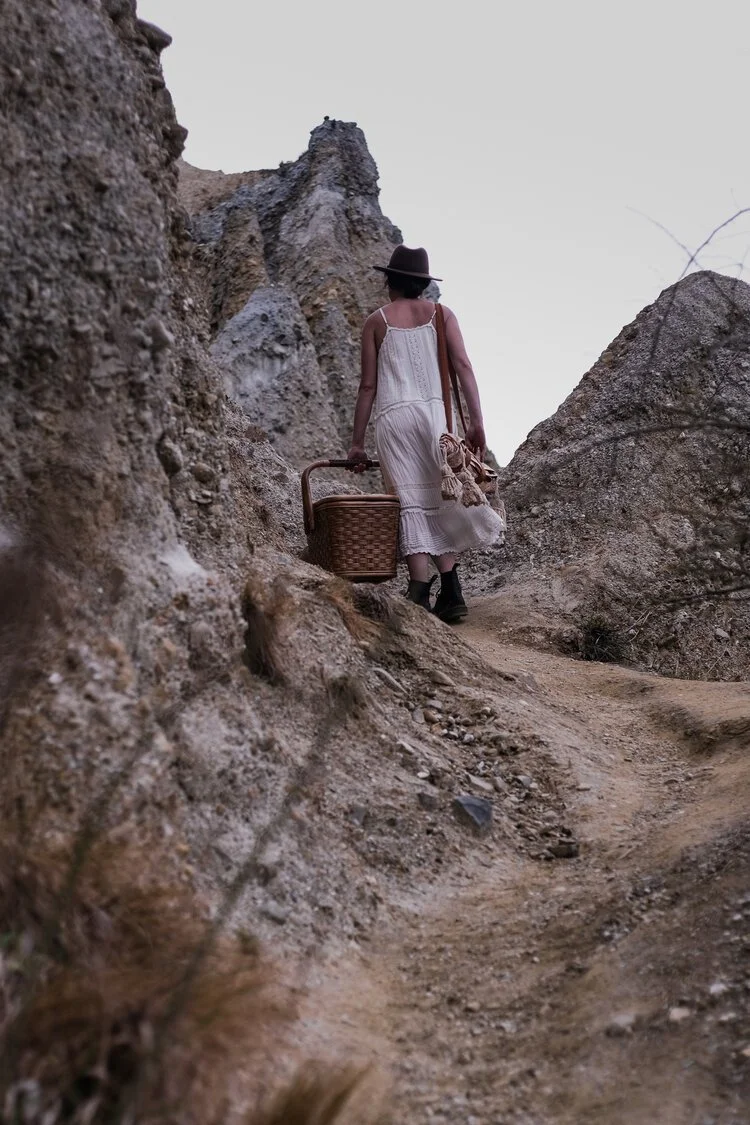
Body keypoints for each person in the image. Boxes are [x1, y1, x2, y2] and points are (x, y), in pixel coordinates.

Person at [347, 245, 504, 622]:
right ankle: (451, 590)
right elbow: (463, 366)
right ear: (422, 283)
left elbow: (367, 387)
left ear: (391, 281)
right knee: (440, 497)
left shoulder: (376, 322)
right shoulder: (442, 315)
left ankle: (419, 590)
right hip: (437, 420)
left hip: (394, 421)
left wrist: (356, 443)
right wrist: (476, 423)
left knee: (409, 502)